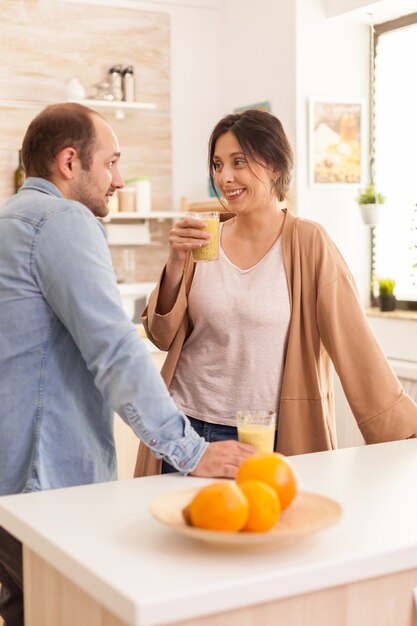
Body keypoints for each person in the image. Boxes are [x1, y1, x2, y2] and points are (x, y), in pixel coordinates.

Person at [0, 103, 254, 626]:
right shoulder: (62, 220)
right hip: (43, 482)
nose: (118, 179)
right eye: (111, 162)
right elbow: (114, 350)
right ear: (70, 162)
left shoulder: (8, 220)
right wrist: (191, 451)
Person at [134, 108, 417, 477]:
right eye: (218, 165)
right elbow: (161, 335)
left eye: (239, 162)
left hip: (263, 437)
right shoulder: (205, 238)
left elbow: (354, 340)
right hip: (184, 430)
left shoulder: (307, 242)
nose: (225, 177)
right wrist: (175, 262)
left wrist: (403, 428)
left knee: (262, 529)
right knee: (178, 532)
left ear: (275, 167)